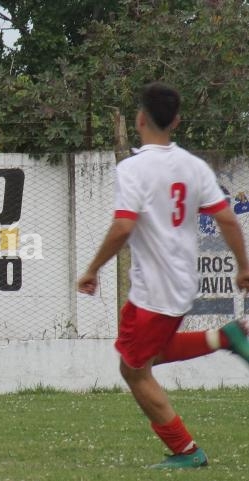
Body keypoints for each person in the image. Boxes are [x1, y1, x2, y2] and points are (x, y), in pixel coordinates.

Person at [78, 82, 249, 469]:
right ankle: (225, 336)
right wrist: (243, 267)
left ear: (139, 119)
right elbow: (226, 219)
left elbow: (123, 228)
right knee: (145, 356)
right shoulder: (193, 166)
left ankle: (186, 452)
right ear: (176, 120)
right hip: (183, 283)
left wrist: (91, 269)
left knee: (134, 370)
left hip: (152, 291)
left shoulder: (133, 168)